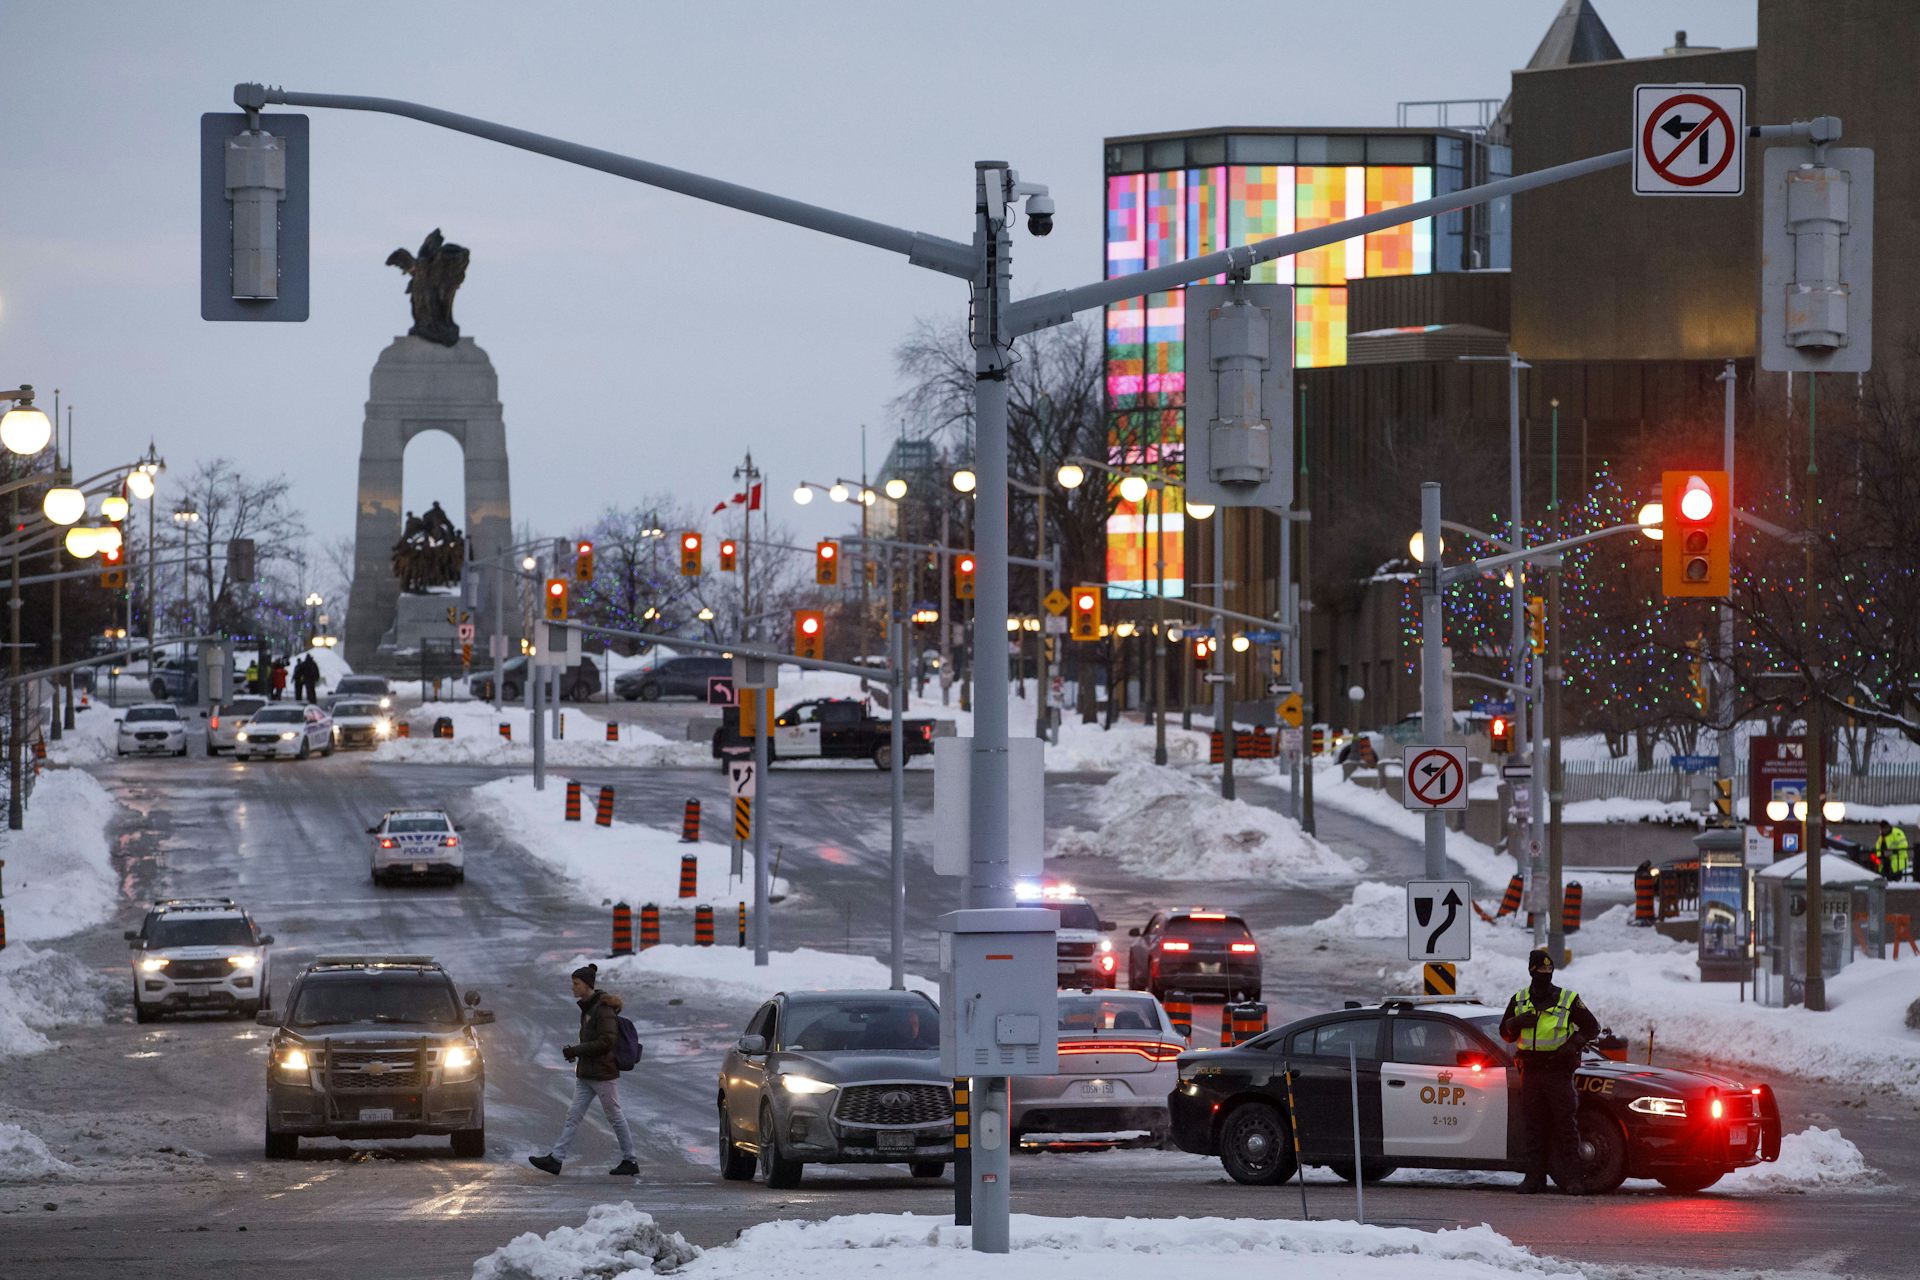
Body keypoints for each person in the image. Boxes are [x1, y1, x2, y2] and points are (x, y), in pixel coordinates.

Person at [1499, 948, 1599, 1195]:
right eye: (1541, 970)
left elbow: (1592, 1027)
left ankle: (1574, 1178)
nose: (1545, 975)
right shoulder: (1519, 999)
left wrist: (1572, 1045)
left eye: (1548, 970)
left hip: (1557, 1072)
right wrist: (1517, 1022)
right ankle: (1534, 1178)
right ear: (1532, 971)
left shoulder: (1567, 998)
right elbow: (1505, 1033)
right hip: (1531, 1073)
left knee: (1565, 1126)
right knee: (1533, 1126)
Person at [527, 963, 637, 1178]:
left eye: (576, 984)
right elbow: (592, 1040)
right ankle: (556, 1159)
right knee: (573, 1116)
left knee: (615, 1116)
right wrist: (577, 1053)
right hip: (587, 1074)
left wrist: (577, 1050)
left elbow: (606, 1041)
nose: (573, 988)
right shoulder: (588, 1008)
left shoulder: (603, 1009)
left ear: (587, 985)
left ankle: (630, 1160)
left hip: (603, 1074)